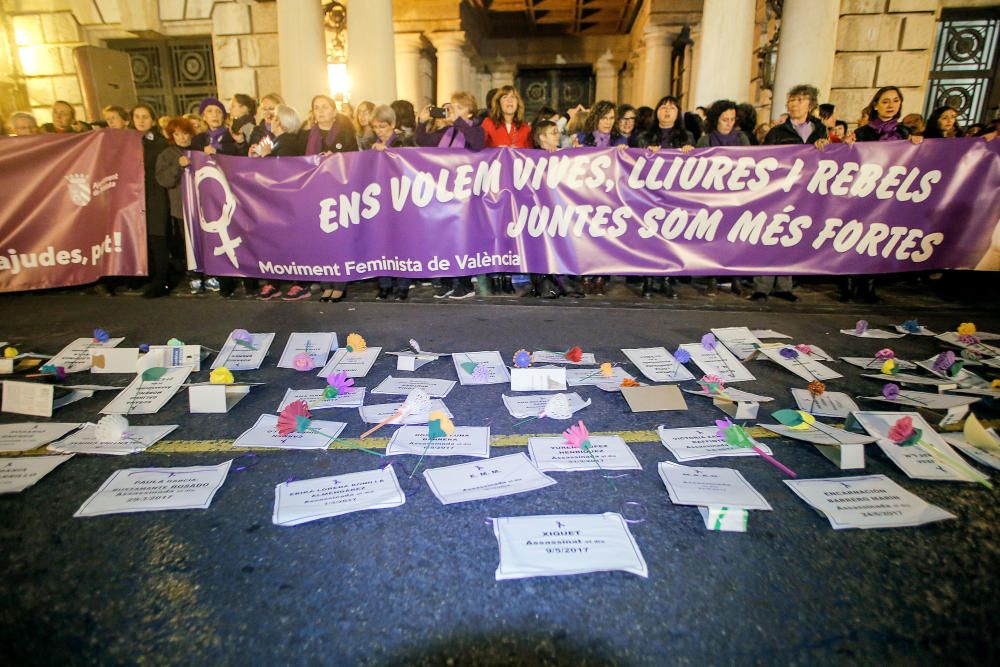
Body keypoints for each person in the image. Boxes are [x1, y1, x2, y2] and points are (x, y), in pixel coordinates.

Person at [753, 84, 830, 303]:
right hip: (780, 191)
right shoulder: (777, 132)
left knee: (790, 237)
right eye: (792, 100)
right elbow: (765, 160)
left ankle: (784, 285)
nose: (795, 105)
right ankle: (763, 285)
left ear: (810, 104)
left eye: (800, 100)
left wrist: (825, 146)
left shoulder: (819, 130)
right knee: (769, 237)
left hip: (805, 191)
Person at [848, 86, 922, 304]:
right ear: (876, 104)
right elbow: (849, 161)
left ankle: (869, 286)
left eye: (895, 101)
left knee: (877, 241)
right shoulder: (862, 133)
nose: (890, 105)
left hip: (890, 194)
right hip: (865, 193)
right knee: (856, 238)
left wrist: (919, 146)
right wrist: (847, 147)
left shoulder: (905, 134)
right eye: (886, 101)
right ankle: (850, 285)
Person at [415, 92, 484, 300]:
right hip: (444, 193)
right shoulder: (446, 132)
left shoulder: (475, 130)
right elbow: (421, 141)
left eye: (458, 108)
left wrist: (459, 122)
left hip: (465, 195)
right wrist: (421, 122)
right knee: (444, 237)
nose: (451, 111)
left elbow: (477, 143)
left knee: (462, 239)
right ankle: (446, 282)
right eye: (450, 107)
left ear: (470, 112)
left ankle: (464, 283)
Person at [294, 94, 358, 302]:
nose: (320, 111)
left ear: (333, 110)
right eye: (316, 107)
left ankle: (339, 282)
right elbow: (294, 162)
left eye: (325, 107)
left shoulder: (346, 133)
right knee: (319, 239)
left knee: (336, 238)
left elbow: (355, 160)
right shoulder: (305, 135)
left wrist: (335, 159)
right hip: (314, 192)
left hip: (338, 192)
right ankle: (325, 282)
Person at [367, 105, 416, 301]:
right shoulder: (370, 143)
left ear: (393, 124)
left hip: (401, 199)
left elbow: (408, 163)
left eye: (383, 127)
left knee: (402, 241)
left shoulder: (404, 140)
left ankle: (403, 285)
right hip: (379, 200)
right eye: (376, 127)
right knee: (381, 242)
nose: (379, 131)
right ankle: (384, 284)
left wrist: (386, 150)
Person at [132, 104, 171, 298]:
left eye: (145, 117)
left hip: (155, 194)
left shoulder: (160, 142)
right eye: (137, 116)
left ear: (153, 120)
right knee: (140, 238)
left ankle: (161, 280)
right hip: (132, 197)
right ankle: (145, 276)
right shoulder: (126, 141)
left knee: (157, 237)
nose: (141, 120)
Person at [155, 116, 197, 296]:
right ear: (172, 136)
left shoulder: (198, 150)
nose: (183, 138)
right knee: (187, 243)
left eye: (185, 133)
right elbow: (163, 180)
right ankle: (193, 275)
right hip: (181, 208)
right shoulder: (167, 154)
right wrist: (178, 167)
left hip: (202, 207)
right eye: (178, 134)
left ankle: (208, 273)